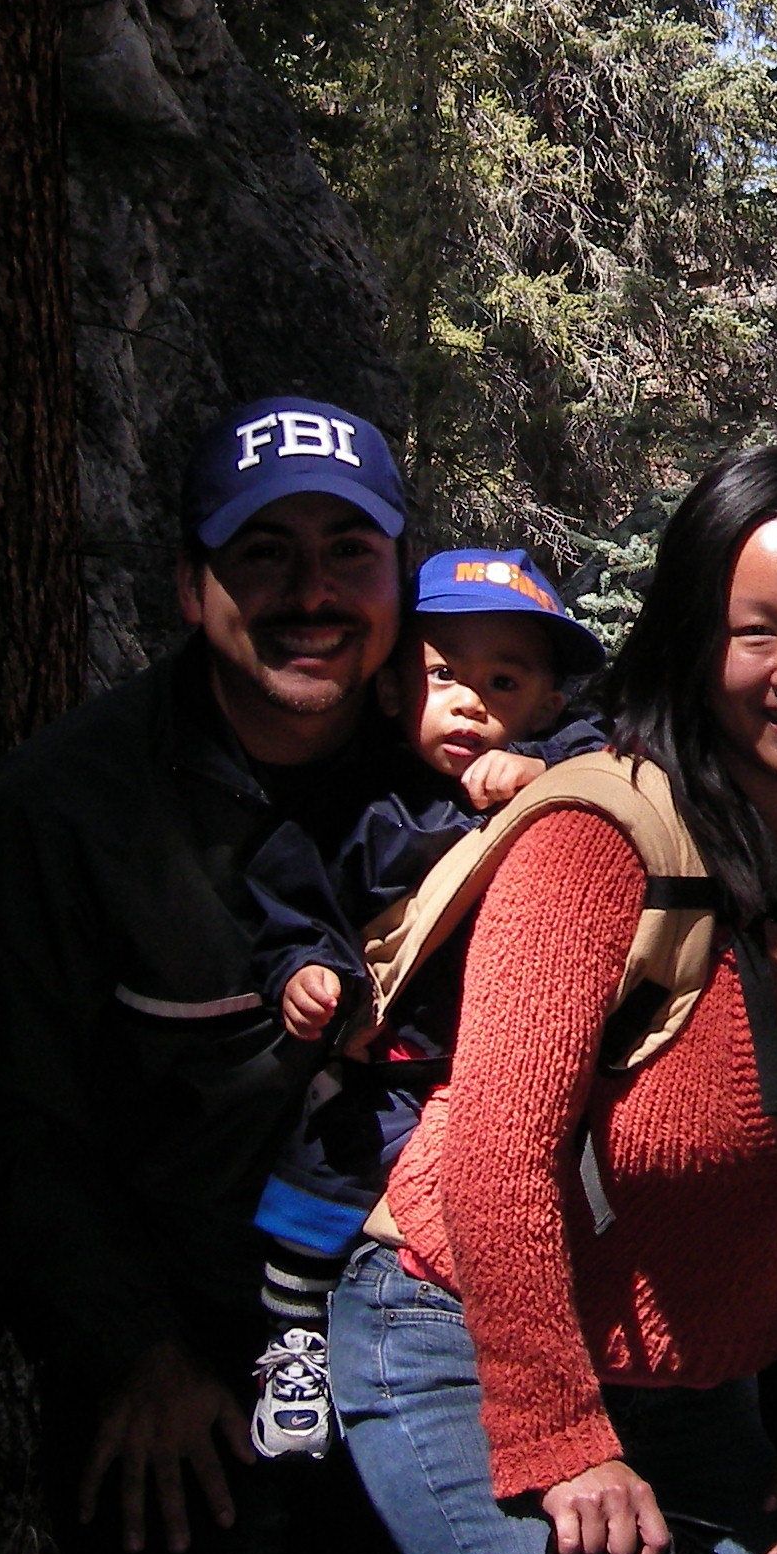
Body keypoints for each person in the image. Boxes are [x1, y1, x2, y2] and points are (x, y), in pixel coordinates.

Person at [330, 446, 777, 1554]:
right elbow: (496, 1159)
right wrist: (559, 1434)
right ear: (693, 645)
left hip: (697, 1384)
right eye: (754, 632)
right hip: (460, 1336)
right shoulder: (595, 840)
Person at [0, 396, 439, 1554]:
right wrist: (132, 1352)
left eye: (348, 552)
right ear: (189, 589)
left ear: (399, 578)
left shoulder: (461, 773)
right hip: (190, 1382)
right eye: (264, 553)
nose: (311, 593)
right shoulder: (64, 816)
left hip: (435, 1352)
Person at [242, 549, 610, 1461]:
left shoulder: (565, 770)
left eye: (503, 682)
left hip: (518, 1067)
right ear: (391, 687)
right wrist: (303, 971)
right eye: (444, 676)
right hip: (392, 1062)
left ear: (546, 704)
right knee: (323, 1172)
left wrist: (539, 771)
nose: (471, 703)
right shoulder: (361, 803)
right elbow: (293, 899)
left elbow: (619, 761)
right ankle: (292, 1339)